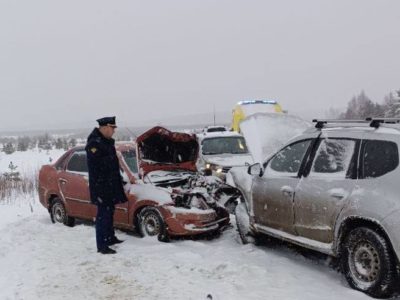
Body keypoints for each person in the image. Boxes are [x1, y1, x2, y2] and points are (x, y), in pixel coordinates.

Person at [85, 116, 128, 254]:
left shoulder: (106, 141)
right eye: (112, 128)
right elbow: (98, 165)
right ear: (104, 127)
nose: (114, 131)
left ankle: (110, 238)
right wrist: (111, 161)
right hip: (101, 186)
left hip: (110, 184)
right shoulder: (94, 143)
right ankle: (102, 246)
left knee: (110, 212)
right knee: (103, 215)